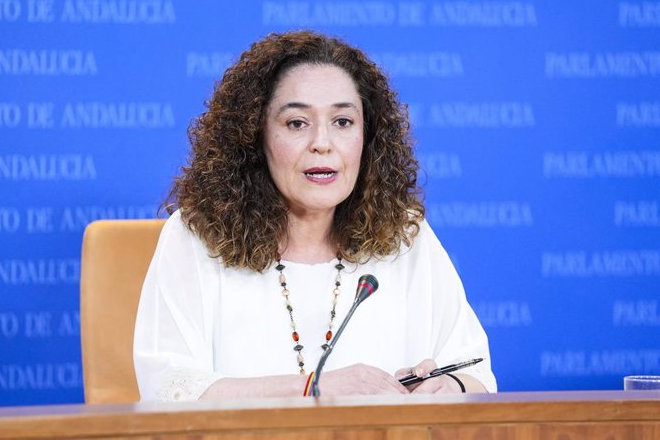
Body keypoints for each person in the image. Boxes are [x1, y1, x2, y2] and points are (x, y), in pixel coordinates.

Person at [133, 31, 497, 401]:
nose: (322, 143)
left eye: (342, 122)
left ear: (367, 137)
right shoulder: (196, 237)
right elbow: (168, 387)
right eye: (297, 123)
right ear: (255, 136)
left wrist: (448, 384)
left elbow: (475, 371)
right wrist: (313, 389)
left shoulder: (405, 235)